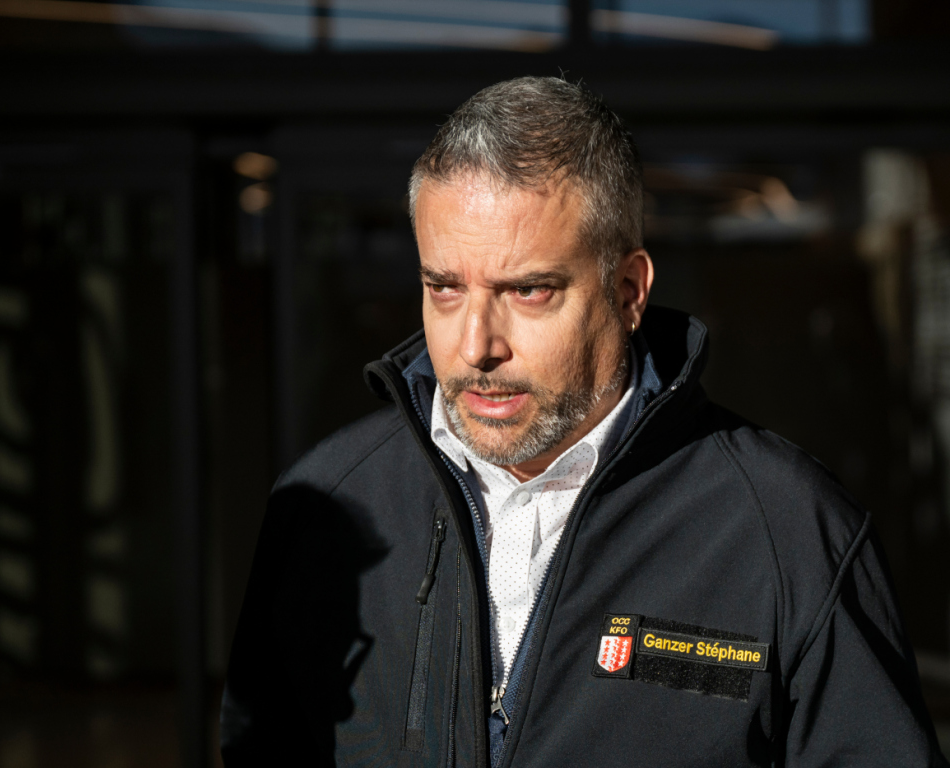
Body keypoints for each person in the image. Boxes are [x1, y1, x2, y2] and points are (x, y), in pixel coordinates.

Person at [220, 77, 946, 767]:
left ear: (627, 292)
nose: (476, 346)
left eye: (528, 291)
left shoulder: (788, 531)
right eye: (444, 289)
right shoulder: (328, 507)